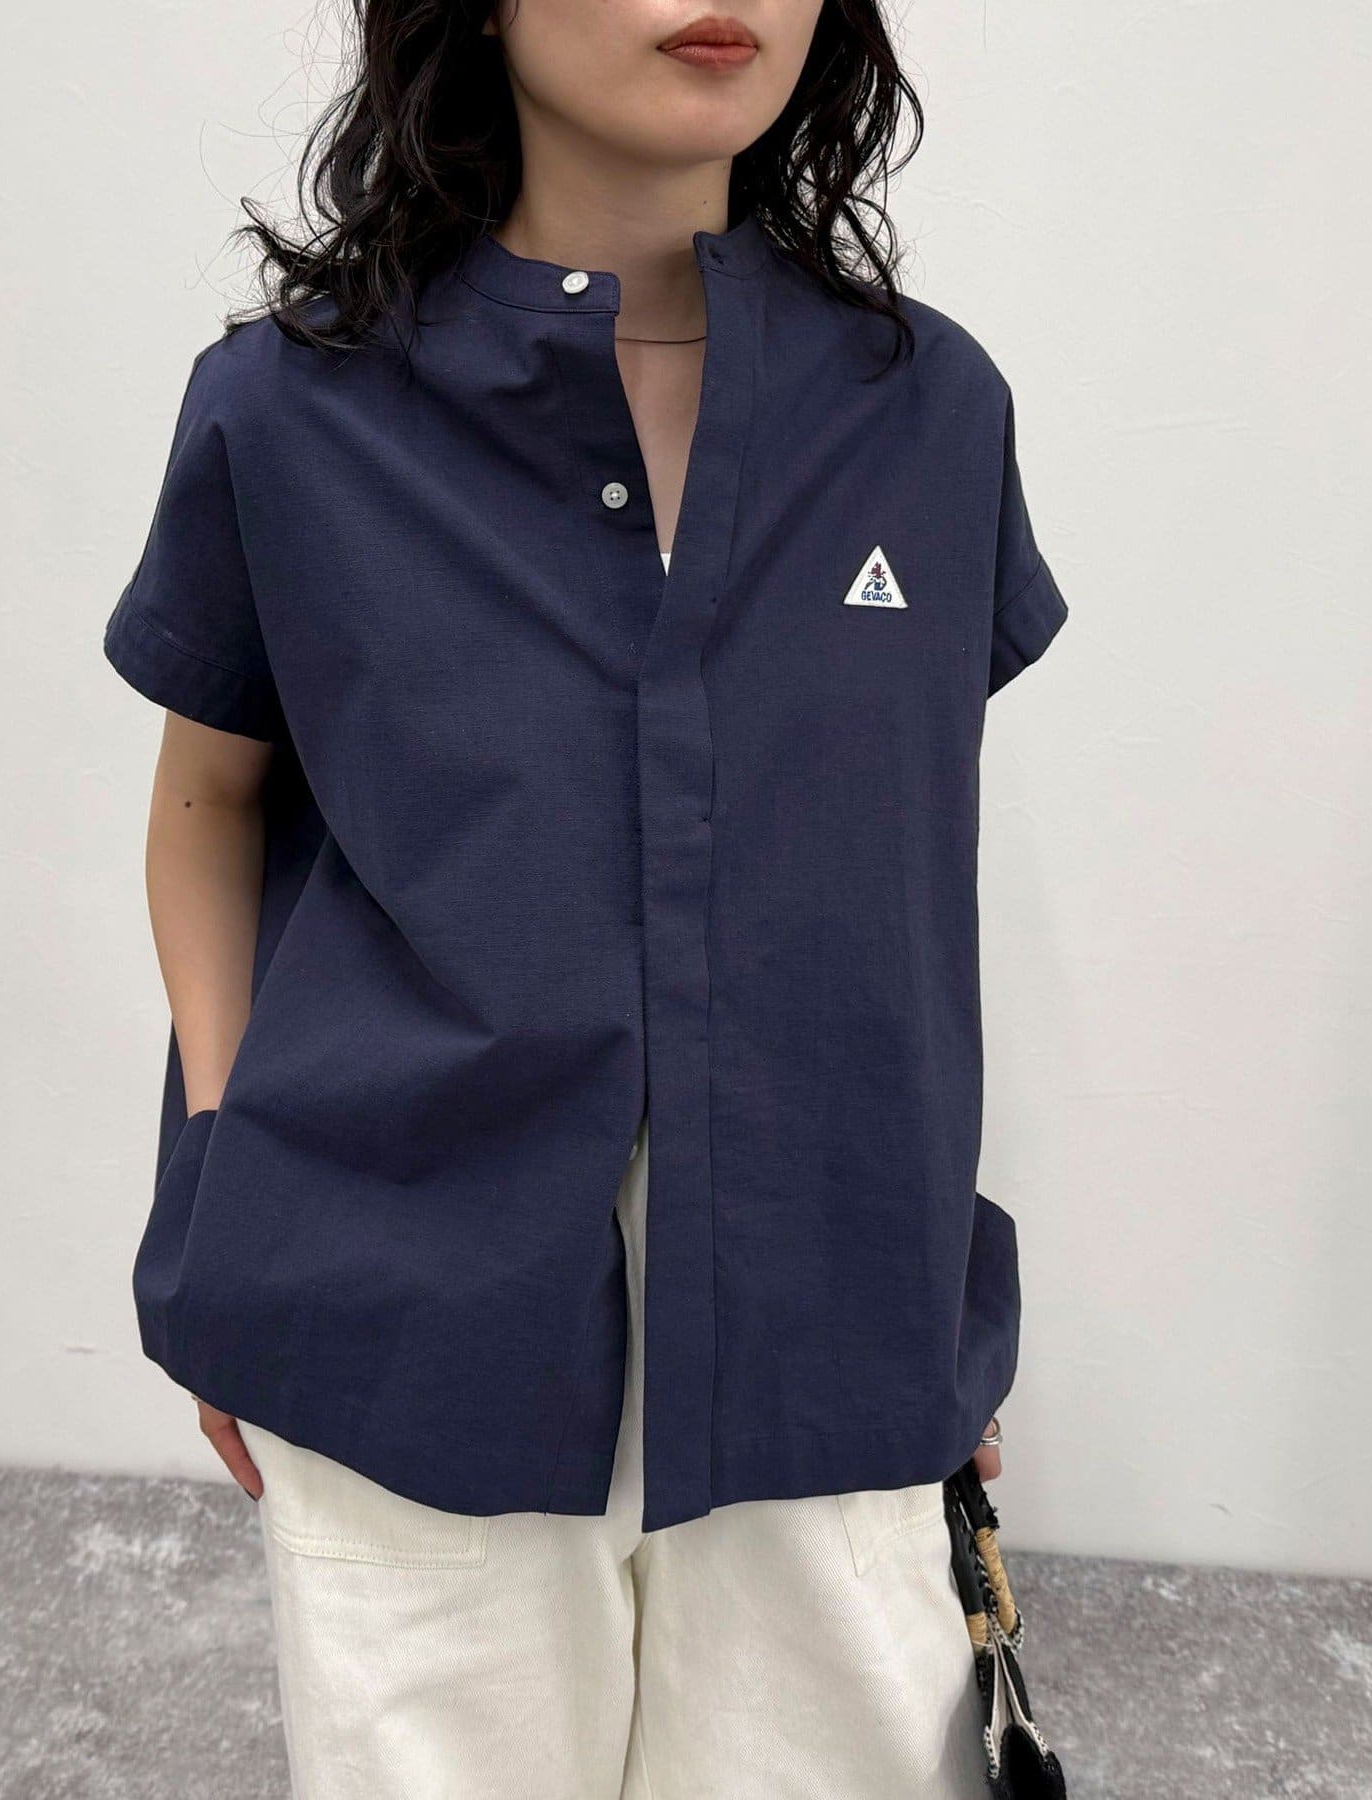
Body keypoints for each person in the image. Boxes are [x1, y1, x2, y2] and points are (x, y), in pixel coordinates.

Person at [103, 1, 1067, 1793]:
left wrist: (922, 1284)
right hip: (403, 1323)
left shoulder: (929, 414)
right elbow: (204, 806)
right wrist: (235, 1194)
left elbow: (889, 886)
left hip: (828, 1345)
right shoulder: (291, 409)